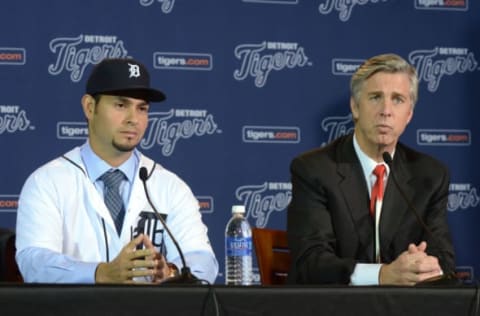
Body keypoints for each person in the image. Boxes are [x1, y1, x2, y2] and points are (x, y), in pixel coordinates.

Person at [15, 58, 219, 284]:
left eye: (142, 108)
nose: (133, 119)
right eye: (121, 105)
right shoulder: (47, 181)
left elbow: (203, 260)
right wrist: (100, 273)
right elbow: (34, 262)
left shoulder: (170, 186)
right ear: (90, 107)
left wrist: (171, 272)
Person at [287, 53, 455, 286]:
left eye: (397, 99)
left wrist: (424, 264)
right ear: (355, 107)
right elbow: (310, 262)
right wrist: (382, 275)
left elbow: (444, 261)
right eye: (375, 97)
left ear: (409, 115)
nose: (386, 110)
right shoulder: (314, 170)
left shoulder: (430, 175)